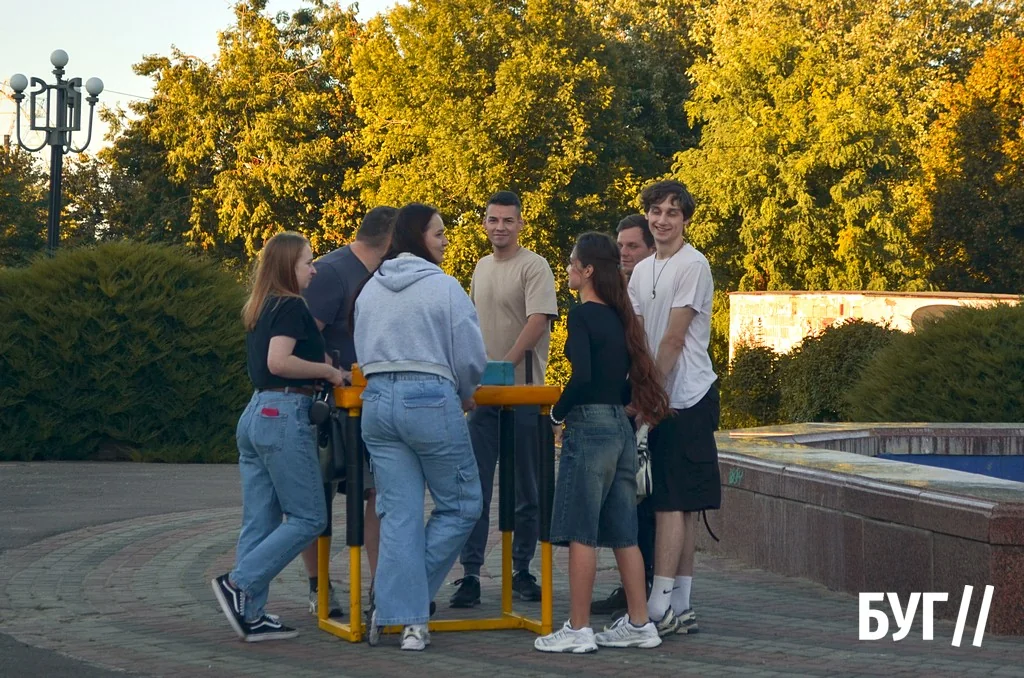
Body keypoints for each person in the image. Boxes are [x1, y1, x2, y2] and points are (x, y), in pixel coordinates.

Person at [354, 203, 487, 651]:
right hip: (429, 397)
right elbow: (470, 355)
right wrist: (465, 390)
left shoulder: (370, 287)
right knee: (463, 503)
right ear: (418, 238)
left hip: (376, 402)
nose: (446, 240)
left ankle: (399, 612)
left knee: (399, 515)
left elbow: (361, 347)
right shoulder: (444, 286)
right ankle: (402, 607)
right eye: (439, 233)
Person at [534, 232, 671, 653]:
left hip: (590, 427)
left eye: (572, 261)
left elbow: (583, 377)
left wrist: (555, 415)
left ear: (588, 269)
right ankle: (640, 622)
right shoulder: (620, 317)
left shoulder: (583, 316)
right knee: (624, 533)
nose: (568, 268)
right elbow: (622, 379)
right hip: (619, 427)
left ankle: (578, 629)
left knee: (581, 531)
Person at [212, 231, 346, 642]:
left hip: (257, 413)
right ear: (289, 266)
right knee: (309, 517)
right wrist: (328, 372)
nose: (314, 269)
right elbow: (279, 362)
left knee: (261, 520)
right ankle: (239, 583)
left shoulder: (262, 305)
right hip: (284, 413)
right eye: (308, 261)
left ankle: (250, 614)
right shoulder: (290, 305)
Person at [450, 191, 559, 608]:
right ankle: (470, 574)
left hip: (524, 393)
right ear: (484, 223)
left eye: (508, 220)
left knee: (526, 487)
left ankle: (521, 570)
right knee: (474, 486)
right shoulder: (480, 267)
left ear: (520, 224)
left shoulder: (534, 266)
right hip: (484, 396)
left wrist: (504, 365)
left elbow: (538, 321)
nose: (500, 227)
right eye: (493, 220)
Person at [627, 180, 721, 636]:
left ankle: (659, 607)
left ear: (685, 220)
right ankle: (680, 606)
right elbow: (638, 337)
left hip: (687, 397)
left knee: (672, 504)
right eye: (656, 211)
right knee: (677, 506)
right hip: (659, 393)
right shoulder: (642, 270)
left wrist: (650, 396)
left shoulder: (693, 265)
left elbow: (673, 339)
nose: (662, 220)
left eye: (672, 212)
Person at [299, 206, 398, 619]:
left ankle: (381, 587)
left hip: (372, 405)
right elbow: (303, 336)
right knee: (316, 497)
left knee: (377, 493)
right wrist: (334, 373)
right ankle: (319, 585)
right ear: (390, 239)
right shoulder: (332, 272)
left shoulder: (386, 274)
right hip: (329, 407)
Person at [592, 214, 659, 617]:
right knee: (628, 503)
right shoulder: (618, 292)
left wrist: (641, 397)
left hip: (650, 407)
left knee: (647, 502)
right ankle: (633, 588)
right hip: (624, 407)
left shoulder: (651, 291)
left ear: (651, 249)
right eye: (620, 246)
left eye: (633, 246)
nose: (624, 253)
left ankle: (649, 590)